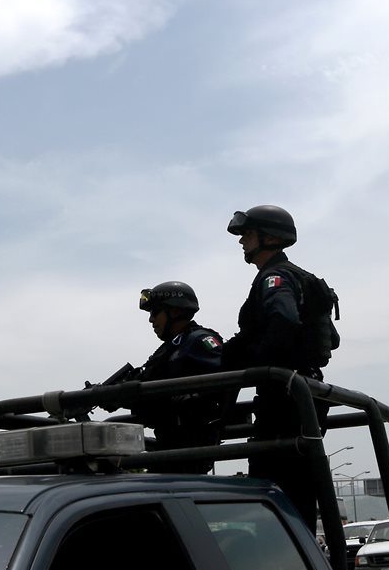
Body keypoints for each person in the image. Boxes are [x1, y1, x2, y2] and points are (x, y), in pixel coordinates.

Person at [220, 205, 339, 526]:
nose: (242, 241)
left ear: (269, 237)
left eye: (248, 234)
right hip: (303, 395)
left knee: (276, 497)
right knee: (297, 492)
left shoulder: (274, 277)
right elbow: (331, 339)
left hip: (283, 400)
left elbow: (284, 321)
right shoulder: (301, 277)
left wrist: (257, 363)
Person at [130, 281, 224, 473]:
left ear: (174, 312)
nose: (151, 320)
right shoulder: (171, 347)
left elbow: (224, 379)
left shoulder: (199, 340)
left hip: (190, 445)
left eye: (155, 312)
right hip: (169, 441)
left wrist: (192, 401)